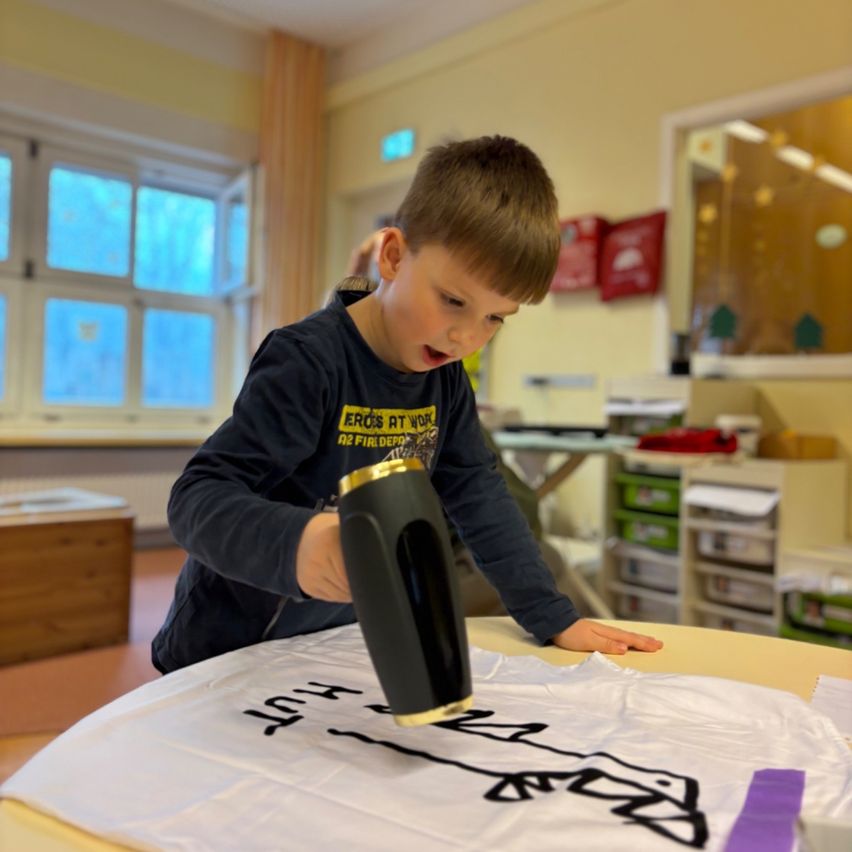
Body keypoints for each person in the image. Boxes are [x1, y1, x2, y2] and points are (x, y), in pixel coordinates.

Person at [152, 135, 662, 674]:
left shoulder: (444, 380)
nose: (465, 335)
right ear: (393, 256)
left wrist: (551, 614)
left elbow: (477, 494)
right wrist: (296, 543)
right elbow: (195, 499)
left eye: (495, 318)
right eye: (453, 300)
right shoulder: (309, 360)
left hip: (326, 648)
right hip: (225, 649)